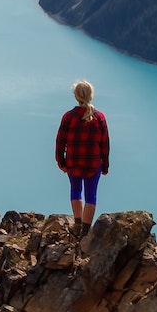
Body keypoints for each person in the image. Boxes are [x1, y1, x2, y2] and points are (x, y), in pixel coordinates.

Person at [54, 79, 109, 234]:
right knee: (91, 195)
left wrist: (61, 161)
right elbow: (105, 144)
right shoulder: (100, 118)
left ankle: (77, 224)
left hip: (73, 162)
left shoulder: (69, 117)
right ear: (91, 95)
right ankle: (85, 231)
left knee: (75, 191)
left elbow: (60, 141)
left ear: (76, 96)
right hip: (93, 164)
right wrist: (105, 165)